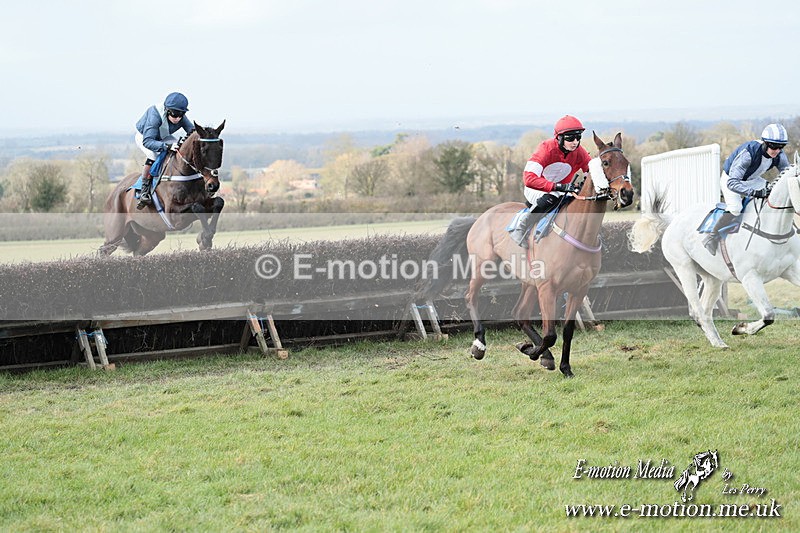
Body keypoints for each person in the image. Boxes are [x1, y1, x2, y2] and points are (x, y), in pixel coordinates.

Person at [703, 123, 790, 255]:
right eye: (774, 146)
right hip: (731, 180)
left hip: (752, 179)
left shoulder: (779, 154)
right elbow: (732, 183)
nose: (777, 150)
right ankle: (711, 236)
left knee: (773, 193)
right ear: (765, 143)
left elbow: (786, 176)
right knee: (736, 209)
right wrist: (754, 192)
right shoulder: (748, 154)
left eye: (781, 147)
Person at [508, 115, 592, 247]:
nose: (575, 142)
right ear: (559, 138)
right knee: (551, 197)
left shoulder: (579, 152)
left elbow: (591, 173)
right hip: (536, 188)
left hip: (562, 189)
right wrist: (558, 187)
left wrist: (585, 184)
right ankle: (521, 226)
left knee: (578, 201)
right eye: (570, 138)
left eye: (578, 137)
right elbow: (529, 179)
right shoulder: (545, 149)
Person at [134, 92, 195, 208]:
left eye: (181, 115)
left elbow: (192, 132)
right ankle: (144, 190)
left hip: (162, 136)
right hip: (145, 137)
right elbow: (147, 141)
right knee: (153, 155)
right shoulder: (155, 116)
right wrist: (166, 147)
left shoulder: (179, 114)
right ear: (167, 110)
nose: (177, 118)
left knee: (179, 149)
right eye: (174, 114)